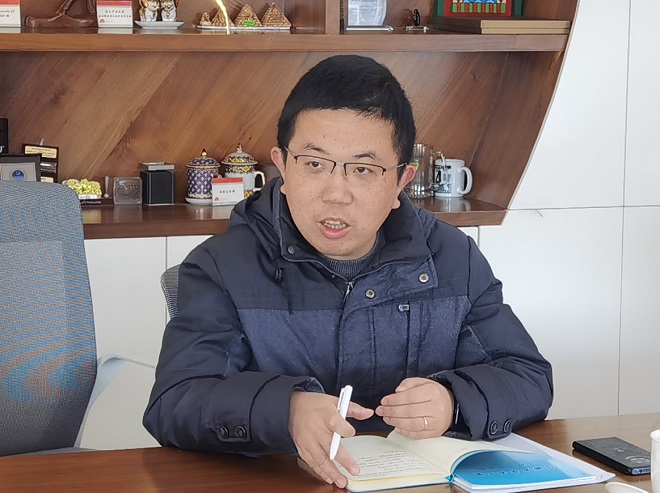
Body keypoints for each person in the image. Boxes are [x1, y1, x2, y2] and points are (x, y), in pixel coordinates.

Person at [143, 54, 553, 489]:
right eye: (314, 164)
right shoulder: (222, 266)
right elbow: (175, 402)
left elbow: (528, 378)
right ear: (282, 166)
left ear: (401, 181)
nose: (336, 194)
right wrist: (285, 411)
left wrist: (454, 401)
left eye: (363, 169)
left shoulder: (453, 259)